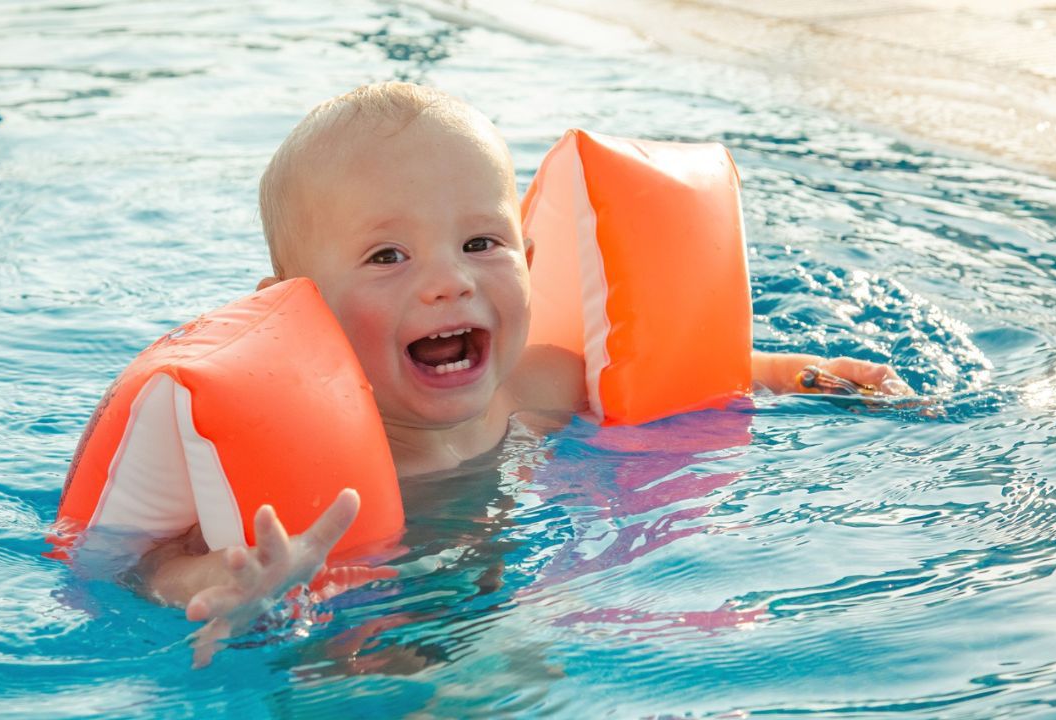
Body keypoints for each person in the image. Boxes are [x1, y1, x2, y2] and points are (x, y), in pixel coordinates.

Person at [139, 82, 914, 665]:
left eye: (481, 243)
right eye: (387, 256)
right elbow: (151, 560)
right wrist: (226, 583)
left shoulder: (537, 389)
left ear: (528, 260)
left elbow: (702, 373)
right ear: (298, 305)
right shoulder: (292, 456)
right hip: (348, 634)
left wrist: (801, 373)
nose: (450, 282)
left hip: (518, 610)